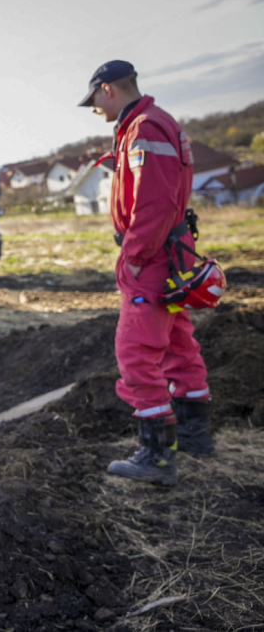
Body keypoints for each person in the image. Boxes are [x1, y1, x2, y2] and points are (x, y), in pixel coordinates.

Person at [79, 60, 211, 486]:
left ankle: (156, 458)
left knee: (135, 351)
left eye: (94, 99)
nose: (94, 108)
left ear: (108, 89)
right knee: (177, 343)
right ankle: (194, 436)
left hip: (152, 256)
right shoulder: (154, 123)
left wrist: (132, 257)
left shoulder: (145, 130)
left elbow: (154, 203)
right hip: (172, 252)